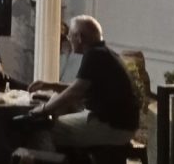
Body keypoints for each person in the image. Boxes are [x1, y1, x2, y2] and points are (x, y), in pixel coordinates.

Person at [30, 15, 140, 149]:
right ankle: (78, 161)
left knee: (46, 128)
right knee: (60, 115)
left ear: (79, 37)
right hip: (121, 124)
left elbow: (75, 92)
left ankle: (60, 163)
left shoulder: (94, 55)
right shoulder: (104, 52)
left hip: (113, 127)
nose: (69, 40)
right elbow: (82, 87)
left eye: (70, 36)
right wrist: (50, 85)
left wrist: (43, 109)